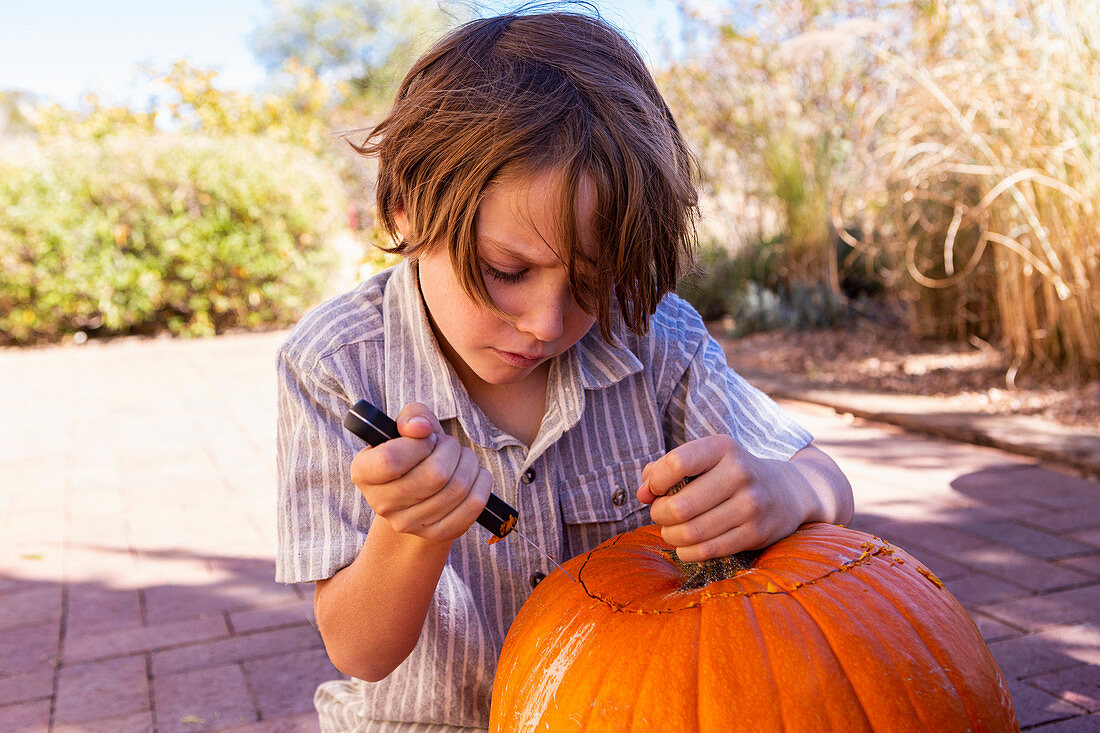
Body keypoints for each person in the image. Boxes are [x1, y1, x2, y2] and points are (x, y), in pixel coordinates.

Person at [275, 9, 854, 732]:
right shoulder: (334, 365)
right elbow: (359, 650)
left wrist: (783, 488)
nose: (547, 324)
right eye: (506, 271)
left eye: (591, 279)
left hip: (627, 710)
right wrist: (410, 532)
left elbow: (829, 481)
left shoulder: (653, 337)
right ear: (406, 211)